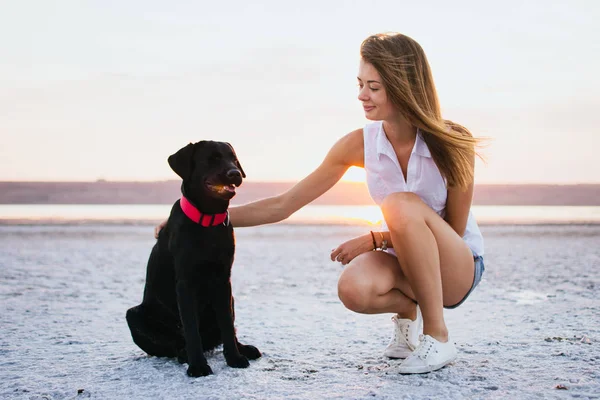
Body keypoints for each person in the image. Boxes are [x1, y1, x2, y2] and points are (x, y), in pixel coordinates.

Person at [154, 32, 485, 374]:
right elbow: (283, 204)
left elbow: (454, 231)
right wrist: (192, 220)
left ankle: (438, 336)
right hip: (405, 263)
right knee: (353, 288)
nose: (361, 96)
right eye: (359, 84)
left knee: (400, 204)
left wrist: (377, 238)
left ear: (403, 85)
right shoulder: (358, 144)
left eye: (373, 86)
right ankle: (408, 315)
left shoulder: (453, 141)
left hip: (457, 268)